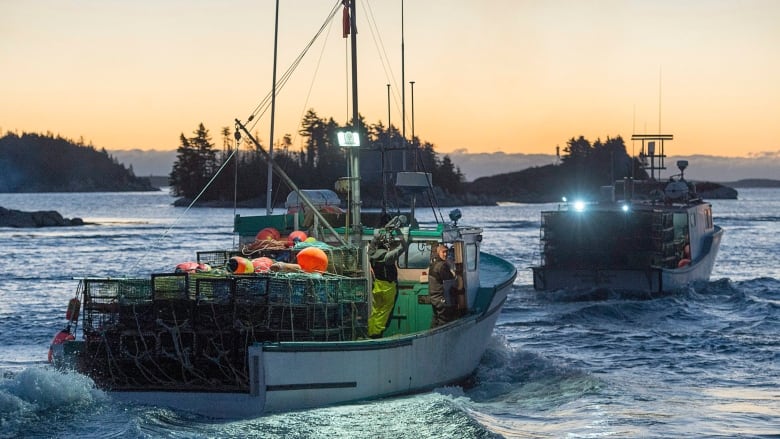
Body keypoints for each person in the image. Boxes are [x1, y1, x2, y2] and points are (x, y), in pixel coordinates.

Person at [367, 231, 408, 338]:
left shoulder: (371, 255)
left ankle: (370, 332)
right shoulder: (387, 257)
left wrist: (376, 237)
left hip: (377, 287)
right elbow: (403, 247)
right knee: (384, 313)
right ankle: (376, 335)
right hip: (388, 289)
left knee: (376, 311)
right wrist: (402, 236)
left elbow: (371, 246)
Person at [428, 243, 456, 328]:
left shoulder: (433, 265)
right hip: (441, 300)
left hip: (434, 298)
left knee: (436, 319)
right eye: (443, 252)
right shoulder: (442, 266)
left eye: (446, 252)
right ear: (438, 252)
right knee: (444, 322)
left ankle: (431, 337)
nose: (445, 254)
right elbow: (451, 280)